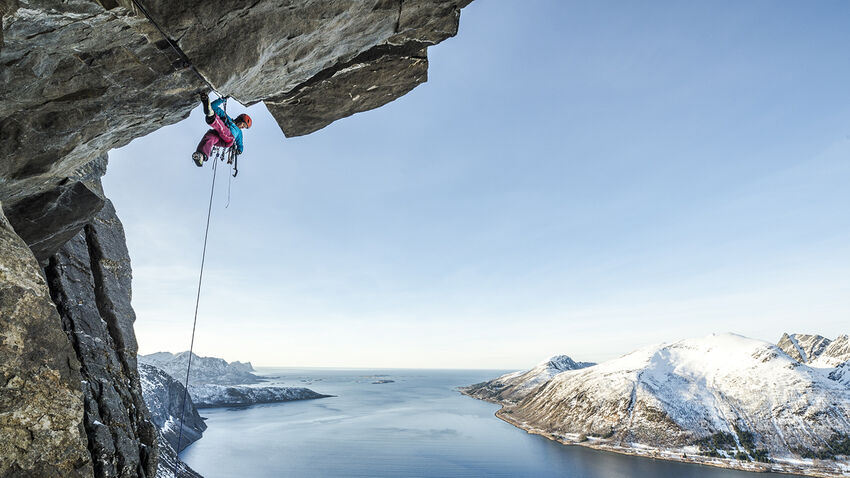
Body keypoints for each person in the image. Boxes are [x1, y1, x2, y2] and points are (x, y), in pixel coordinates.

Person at [192, 92, 252, 167]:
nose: (243, 127)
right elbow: (213, 106)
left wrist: (239, 150)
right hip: (218, 135)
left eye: (244, 127)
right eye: (243, 124)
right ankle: (202, 155)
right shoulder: (227, 118)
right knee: (210, 136)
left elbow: (240, 144)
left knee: (222, 128)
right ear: (240, 119)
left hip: (228, 139)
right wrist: (222, 100)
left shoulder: (239, 132)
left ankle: (212, 117)